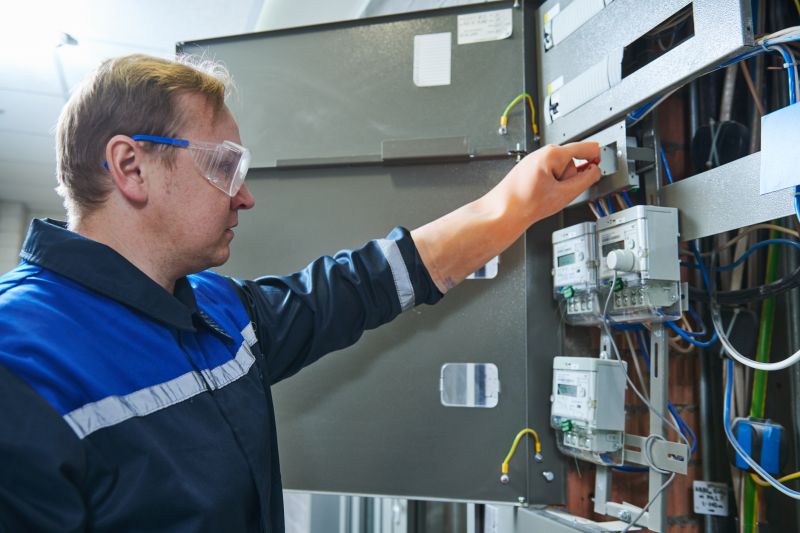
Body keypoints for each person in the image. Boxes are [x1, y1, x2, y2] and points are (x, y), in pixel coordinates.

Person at [0, 54, 600, 532]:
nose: (245, 196)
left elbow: (357, 286)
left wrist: (510, 208)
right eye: (225, 166)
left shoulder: (215, 311)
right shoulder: (20, 363)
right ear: (131, 167)